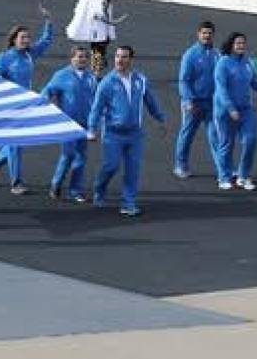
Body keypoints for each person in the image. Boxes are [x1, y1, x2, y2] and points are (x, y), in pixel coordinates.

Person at [87, 45, 165, 217]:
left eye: (124, 57)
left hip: (135, 134)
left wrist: (160, 119)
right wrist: (92, 129)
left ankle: (128, 203)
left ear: (131, 60)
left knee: (133, 169)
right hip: (113, 134)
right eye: (117, 56)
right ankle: (99, 188)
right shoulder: (107, 82)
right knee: (111, 166)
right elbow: (97, 108)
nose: (119, 60)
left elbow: (150, 101)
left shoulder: (140, 80)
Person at [0, 7, 55, 193]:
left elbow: (46, 41)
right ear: (14, 39)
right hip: (10, 105)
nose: (26, 40)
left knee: (16, 143)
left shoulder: (30, 54)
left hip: (26, 105)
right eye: (22, 37)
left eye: (27, 38)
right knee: (16, 144)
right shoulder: (5, 57)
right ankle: (16, 183)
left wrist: (48, 22)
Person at [213, 32, 257, 190]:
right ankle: (224, 176)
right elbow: (221, 89)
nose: (241, 46)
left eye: (243, 43)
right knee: (226, 143)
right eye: (238, 43)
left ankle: (243, 176)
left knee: (250, 140)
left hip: (246, 109)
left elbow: (256, 83)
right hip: (225, 111)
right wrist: (230, 108)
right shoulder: (223, 64)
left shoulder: (248, 63)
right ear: (231, 45)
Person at [41, 47, 98, 202]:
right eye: (79, 57)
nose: (83, 59)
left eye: (85, 57)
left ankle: (75, 190)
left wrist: (95, 124)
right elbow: (47, 91)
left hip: (85, 124)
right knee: (68, 155)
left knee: (81, 157)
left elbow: (96, 101)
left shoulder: (91, 76)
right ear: (72, 58)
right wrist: (44, 105)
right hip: (67, 123)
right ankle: (56, 183)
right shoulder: (61, 75)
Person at [173, 20, 219, 179]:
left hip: (211, 103)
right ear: (198, 34)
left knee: (216, 135)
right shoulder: (190, 55)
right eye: (204, 33)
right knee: (187, 134)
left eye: (210, 33)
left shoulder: (216, 54)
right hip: (194, 103)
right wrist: (188, 100)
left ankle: (223, 168)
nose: (207, 36)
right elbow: (184, 80)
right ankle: (180, 165)